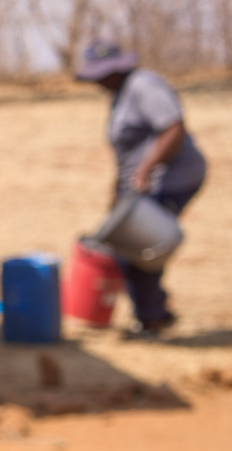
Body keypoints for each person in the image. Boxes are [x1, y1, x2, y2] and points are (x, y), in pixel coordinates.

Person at [74, 40, 206, 336]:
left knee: (140, 247)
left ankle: (153, 317)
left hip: (172, 178)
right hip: (138, 188)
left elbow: (173, 128)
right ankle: (153, 313)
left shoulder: (143, 86)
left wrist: (146, 169)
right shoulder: (120, 94)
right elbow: (127, 153)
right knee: (129, 246)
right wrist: (117, 192)